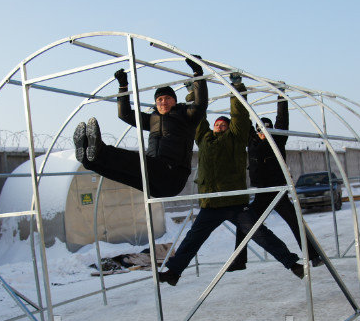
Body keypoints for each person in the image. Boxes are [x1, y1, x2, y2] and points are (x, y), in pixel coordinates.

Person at [157, 75, 304, 286]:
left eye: (223, 124)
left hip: (235, 203)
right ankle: (173, 273)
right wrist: (192, 94)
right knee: (192, 239)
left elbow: (239, 116)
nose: (219, 126)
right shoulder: (204, 140)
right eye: (216, 124)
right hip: (211, 204)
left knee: (260, 234)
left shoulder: (235, 139)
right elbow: (198, 118)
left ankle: (292, 264)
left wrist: (237, 87)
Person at [73, 57, 208, 197]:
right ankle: (89, 161)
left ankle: (100, 150)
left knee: (135, 161)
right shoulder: (152, 119)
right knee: (122, 174)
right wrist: (123, 87)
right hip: (154, 182)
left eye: (168, 98)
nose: (163, 102)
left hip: (173, 175)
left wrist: (198, 72)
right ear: (156, 103)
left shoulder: (186, 116)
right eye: (159, 100)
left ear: (175, 100)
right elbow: (124, 114)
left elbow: (200, 103)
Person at [228, 86, 323, 271]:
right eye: (260, 129)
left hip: (278, 192)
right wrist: (241, 96)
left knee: (296, 223)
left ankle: (313, 256)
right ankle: (239, 260)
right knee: (244, 224)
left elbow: (282, 120)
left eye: (266, 129)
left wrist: (281, 96)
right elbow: (244, 120)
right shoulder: (252, 142)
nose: (263, 132)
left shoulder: (277, 140)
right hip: (262, 194)